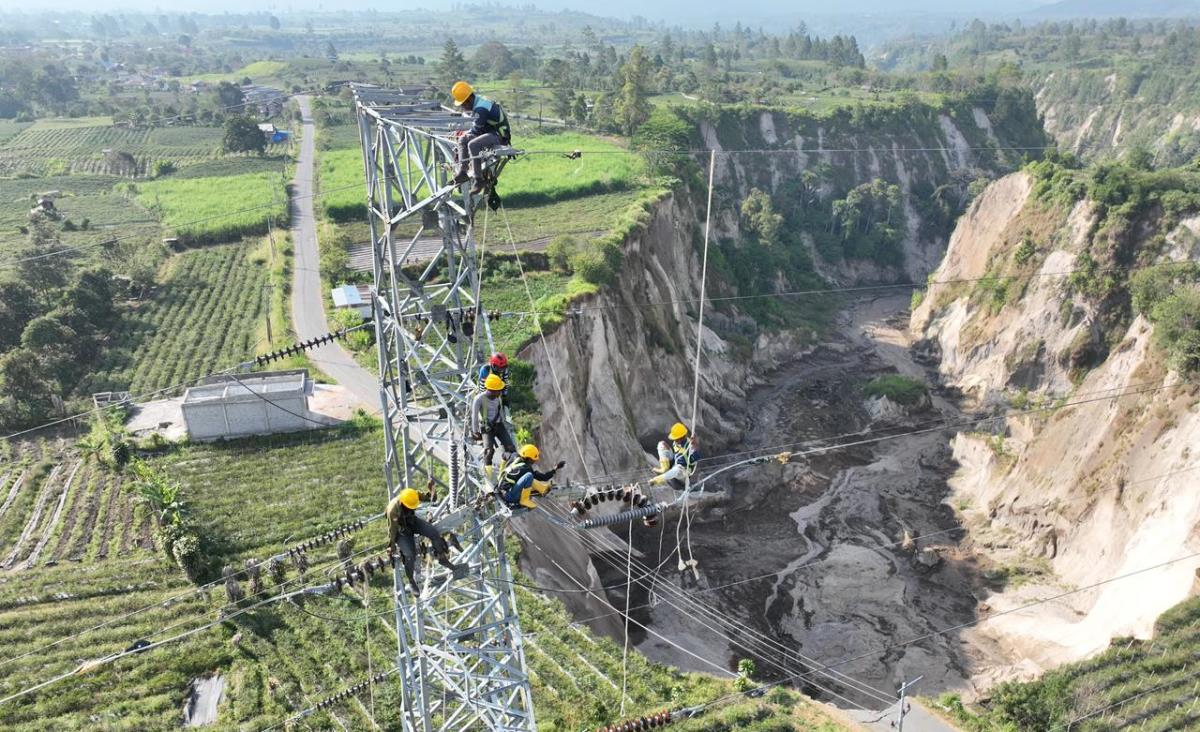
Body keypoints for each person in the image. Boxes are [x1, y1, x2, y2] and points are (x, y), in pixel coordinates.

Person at [386, 488, 463, 595]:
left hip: (412, 521)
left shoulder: (413, 495)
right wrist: (391, 546)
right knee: (410, 555)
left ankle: (442, 558)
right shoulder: (393, 510)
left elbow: (429, 497)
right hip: (402, 530)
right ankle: (411, 581)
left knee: (433, 533)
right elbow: (392, 529)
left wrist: (432, 492)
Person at [450, 81, 512, 193]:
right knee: (463, 139)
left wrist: (469, 133)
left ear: (469, 100)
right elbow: (477, 129)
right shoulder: (479, 101)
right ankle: (463, 171)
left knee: (473, 144)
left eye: (463, 104)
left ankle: (479, 179)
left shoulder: (480, 109)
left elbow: (477, 129)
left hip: (499, 136)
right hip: (489, 131)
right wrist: (466, 134)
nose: (463, 108)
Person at [497, 444, 564, 509]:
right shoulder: (526, 469)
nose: (533, 462)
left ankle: (543, 488)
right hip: (509, 496)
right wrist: (555, 469)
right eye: (533, 460)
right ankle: (524, 500)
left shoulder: (514, 455)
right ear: (527, 458)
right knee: (529, 476)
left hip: (501, 488)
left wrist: (500, 472)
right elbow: (543, 477)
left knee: (527, 478)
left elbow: (504, 455)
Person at [471, 373, 515, 466]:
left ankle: (505, 468)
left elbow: (503, 412)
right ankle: (488, 473)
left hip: (499, 425)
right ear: (491, 390)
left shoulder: (498, 398)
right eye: (498, 390)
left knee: (511, 449)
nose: (500, 392)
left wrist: (508, 423)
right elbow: (474, 416)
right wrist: (475, 431)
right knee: (489, 451)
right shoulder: (479, 399)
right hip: (487, 428)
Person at [649, 422, 699, 490]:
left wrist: (694, 447)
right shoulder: (675, 443)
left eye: (677, 438)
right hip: (675, 463)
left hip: (683, 471)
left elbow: (695, 459)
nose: (675, 440)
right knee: (662, 444)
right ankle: (664, 468)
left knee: (677, 469)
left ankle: (657, 480)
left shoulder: (689, 446)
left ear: (682, 437)